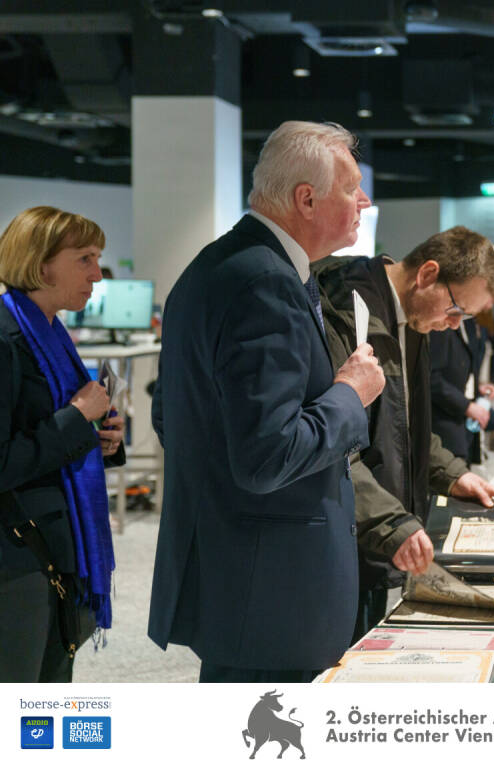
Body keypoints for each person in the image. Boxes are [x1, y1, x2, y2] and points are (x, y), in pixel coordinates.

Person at [148, 121, 386, 683]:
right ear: (307, 199)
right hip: (272, 591)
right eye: (351, 187)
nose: (364, 200)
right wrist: (352, 394)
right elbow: (266, 454)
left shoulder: (222, 265)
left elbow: (174, 415)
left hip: (242, 576)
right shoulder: (265, 283)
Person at [313, 225, 494, 641]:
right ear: (426, 275)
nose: (452, 324)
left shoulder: (411, 321)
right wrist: (391, 525)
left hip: (372, 538)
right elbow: (334, 445)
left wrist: (453, 473)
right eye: (455, 310)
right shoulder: (348, 311)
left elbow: (402, 427)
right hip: (338, 540)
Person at [0, 206, 125, 682]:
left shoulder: (51, 333)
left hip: (54, 541)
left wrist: (100, 440)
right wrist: (77, 419)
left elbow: (52, 431)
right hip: (17, 552)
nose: (96, 274)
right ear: (40, 262)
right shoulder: (7, 338)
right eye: (84, 259)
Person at [430, 313, 494, 464]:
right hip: (444, 426)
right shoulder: (441, 324)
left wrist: (477, 388)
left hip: (463, 426)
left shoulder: (470, 323)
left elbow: (462, 367)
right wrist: (466, 406)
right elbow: (431, 378)